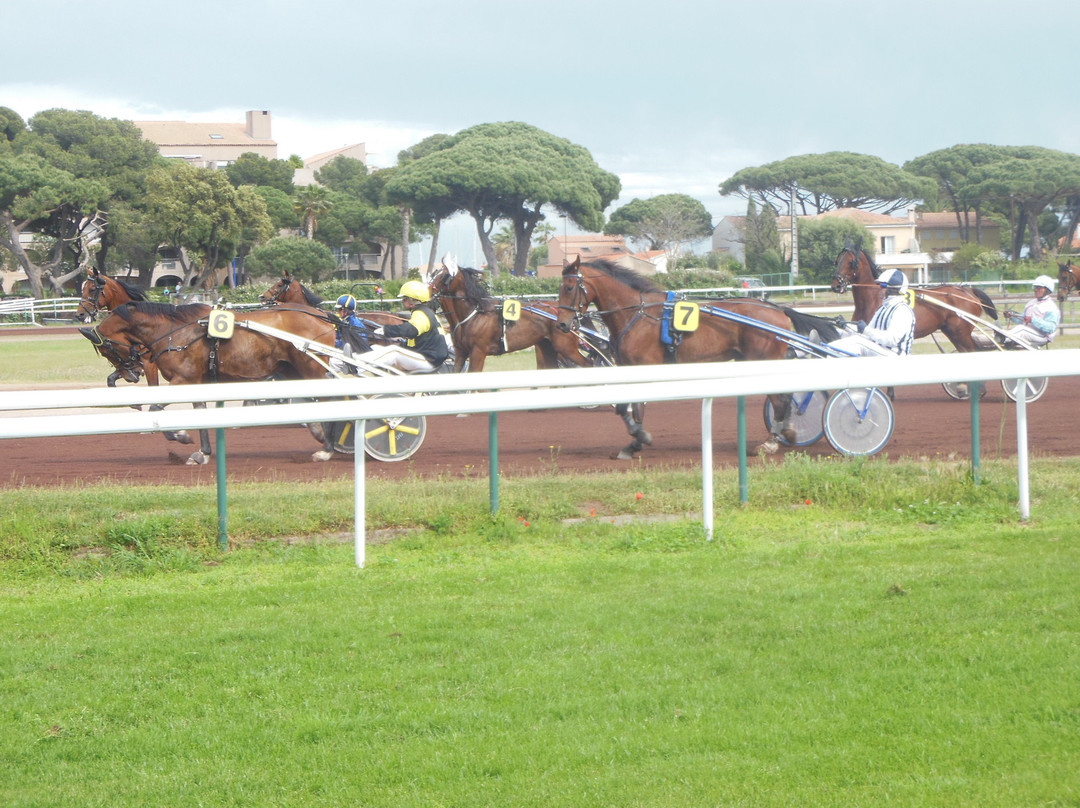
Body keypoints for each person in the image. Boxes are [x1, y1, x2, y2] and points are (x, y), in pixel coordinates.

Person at [363, 281, 449, 374]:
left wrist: (386, 330)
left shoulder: (421, 313)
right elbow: (415, 340)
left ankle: (359, 367)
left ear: (412, 300)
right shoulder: (426, 312)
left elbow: (410, 330)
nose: (402, 301)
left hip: (429, 360)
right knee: (376, 347)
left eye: (404, 298)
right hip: (428, 357)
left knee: (394, 352)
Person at [830, 268, 916, 357]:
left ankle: (828, 352)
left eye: (882, 285)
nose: (879, 288)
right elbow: (867, 334)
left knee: (858, 342)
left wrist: (865, 330)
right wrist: (846, 326)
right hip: (881, 351)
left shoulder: (902, 310)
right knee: (842, 334)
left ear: (894, 289)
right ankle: (825, 349)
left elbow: (891, 340)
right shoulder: (882, 308)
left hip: (896, 356)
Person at [1002, 275, 1059, 348]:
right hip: (1029, 333)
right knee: (1021, 329)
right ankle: (1001, 337)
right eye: (1035, 287)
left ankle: (1003, 337)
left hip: (1043, 336)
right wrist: (1012, 315)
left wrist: (1032, 320)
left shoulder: (1051, 307)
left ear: (1047, 290)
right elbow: (1022, 320)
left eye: (1039, 288)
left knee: (1021, 329)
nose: (1036, 290)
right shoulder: (1031, 303)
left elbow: (1050, 328)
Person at [328, 294, 365, 375]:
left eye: (339, 309)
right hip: (346, 349)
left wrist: (336, 342)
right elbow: (340, 336)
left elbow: (358, 343)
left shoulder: (355, 323)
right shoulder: (345, 321)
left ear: (345, 311)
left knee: (333, 361)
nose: (337, 311)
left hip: (356, 353)